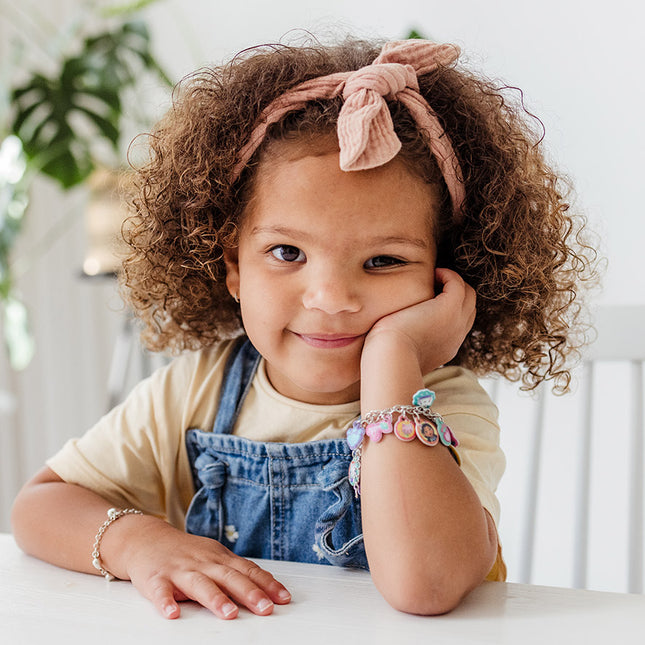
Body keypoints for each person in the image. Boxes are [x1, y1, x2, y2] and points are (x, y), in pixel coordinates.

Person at [11, 37, 596, 620]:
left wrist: (393, 358)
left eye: (384, 261)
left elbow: (425, 584)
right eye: (288, 252)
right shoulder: (197, 390)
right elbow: (39, 507)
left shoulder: (440, 406)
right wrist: (137, 542)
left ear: (447, 276)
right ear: (234, 267)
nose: (332, 299)